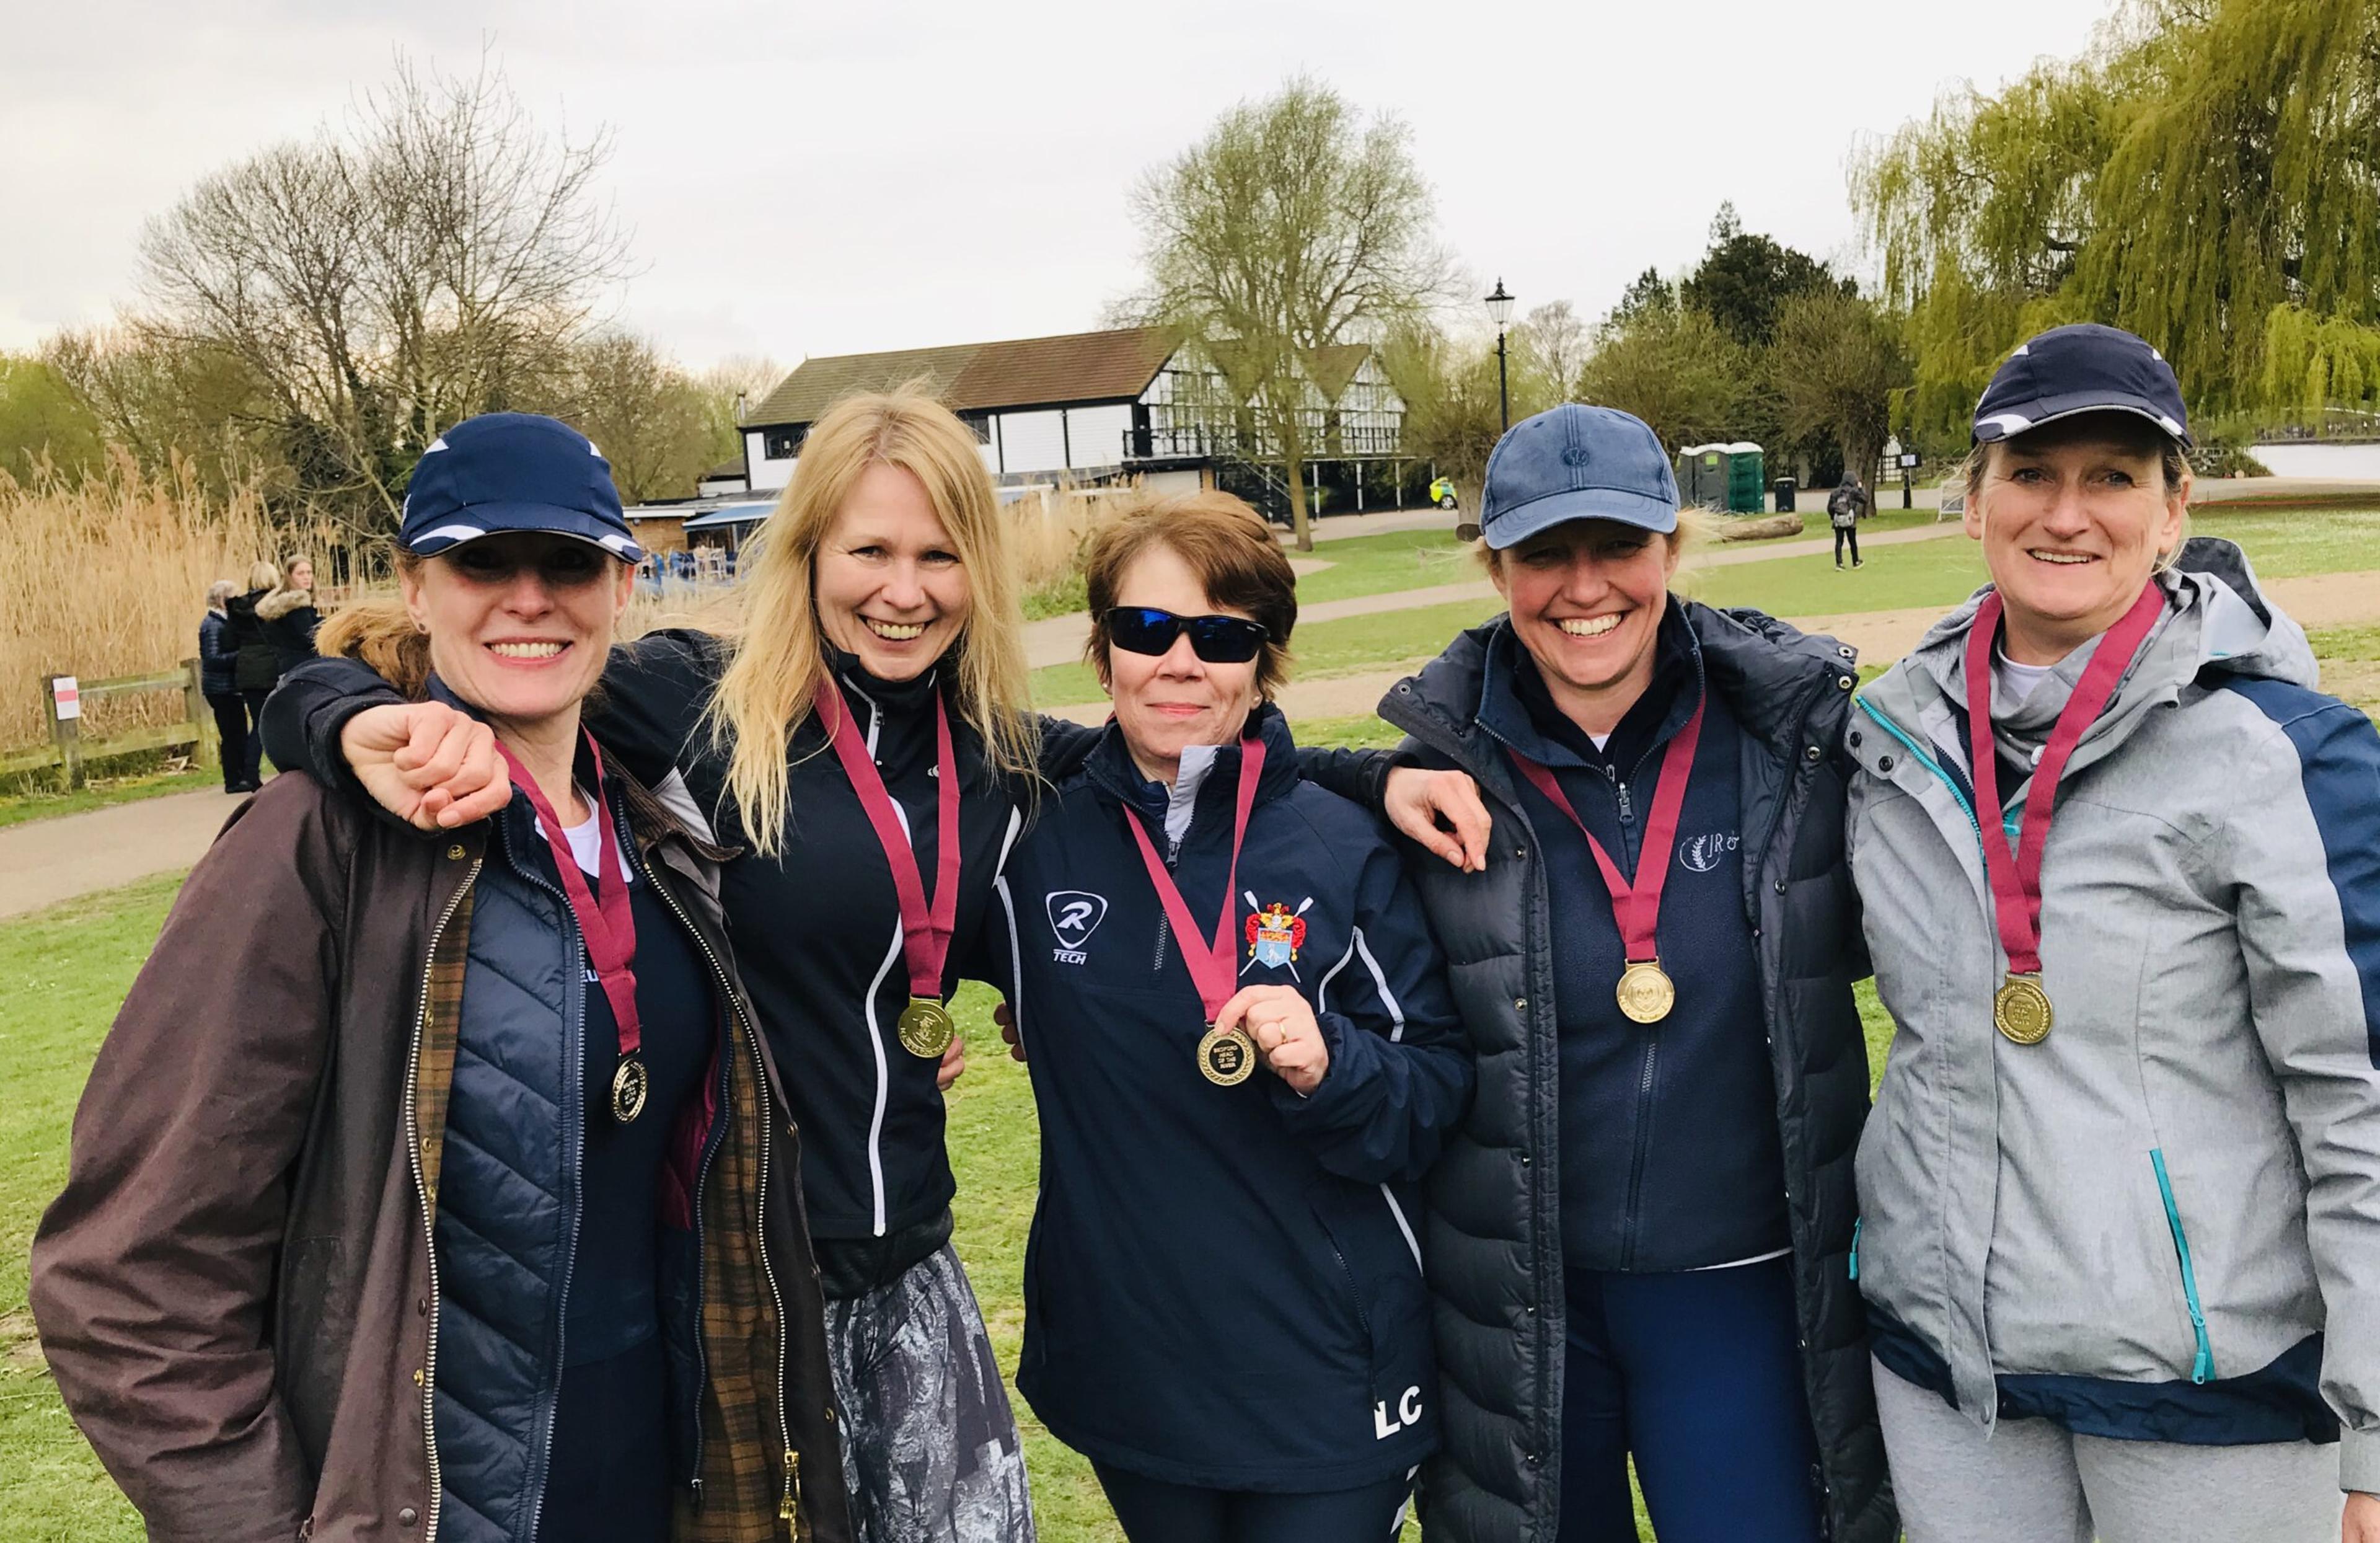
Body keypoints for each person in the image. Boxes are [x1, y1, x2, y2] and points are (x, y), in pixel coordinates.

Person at [31, 412, 848, 1542]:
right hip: (425, 1503)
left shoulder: (660, 825)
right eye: (481, 561)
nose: (528, 597)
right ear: (417, 585)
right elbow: (125, 1280)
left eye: (568, 561)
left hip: (664, 1474)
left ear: (621, 584)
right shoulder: (317, 840)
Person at [266, 393, 1047, 1543]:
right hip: (746, 1278)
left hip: (917, 1279)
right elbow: (398, 678)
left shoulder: (1001, 759)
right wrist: (334, 719)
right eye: (869, 549)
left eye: (940, 555)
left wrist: (1384, 772)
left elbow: (1174, 754)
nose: (904, 588)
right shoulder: (692, 701)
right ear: (809, 551)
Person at [1844, 322, 2380, 1543]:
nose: (2068, 513)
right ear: (1971, 499)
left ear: (2175, 505)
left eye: (2114, 476)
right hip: (1953, 1374)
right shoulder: (1886, 739)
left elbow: (2359, 1096)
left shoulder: (2290, 753)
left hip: (2208, 1386)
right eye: (2032, 472)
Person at [1328, 404, 1892, 1543]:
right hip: (1522, 1305)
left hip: (1740, 1282)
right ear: (1495, 566)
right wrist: (1361, 775)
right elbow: (1219, 763)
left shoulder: (1799, 740)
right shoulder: (1435, 771)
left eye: (1618, 546)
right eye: (1543, 553)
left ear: (1671, 549)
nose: (1585, 587)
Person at [978, 493, 1473, 1543]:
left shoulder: (1345, 846)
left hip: (1326, 1374)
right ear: (1103, 649)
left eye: (1222, 635)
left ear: (1265, 657)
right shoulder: (1030, 839)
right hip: (1133, 1371)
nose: (1179, 661)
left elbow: (1432, 1096)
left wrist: (1328, 1062)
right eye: (1146, 628)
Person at [223, 559, 284, 779]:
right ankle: (286, 768)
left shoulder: (237, 609)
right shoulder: (276, 605)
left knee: (257, 722)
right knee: (280, 719)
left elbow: (230, 640)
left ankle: (250, 771)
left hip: (247, 669)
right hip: (270, 667)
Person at [198, 578, 254, 793]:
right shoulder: (213, 625)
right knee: (232, 733)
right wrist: (241, 656)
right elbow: (212, 658)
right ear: (222, 599)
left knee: (238, 731)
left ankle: (238, 775)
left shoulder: (221, 622)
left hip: (227, 687)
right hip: (220, 688)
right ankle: (232, 779)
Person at [263, 554, 325, 675]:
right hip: (300, 668)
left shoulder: (288, 604)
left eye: (309, 573)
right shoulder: (295, 607)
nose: (307, 577)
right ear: (290, 577)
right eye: (300, 574)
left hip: (294, 666)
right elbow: (308, 638)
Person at [1829, 474, 1868, 569]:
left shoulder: (1835, 493)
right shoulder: (1853, 492)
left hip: (1838, 520)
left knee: (1839, 542)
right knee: (1852, 541)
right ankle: (1856, 561)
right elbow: (1865, 499)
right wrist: (1860, 488)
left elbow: (1830, 507)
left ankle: (1839, 563)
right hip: (1850, 520)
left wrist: (1833, 518)